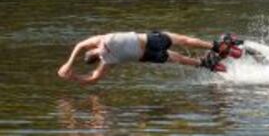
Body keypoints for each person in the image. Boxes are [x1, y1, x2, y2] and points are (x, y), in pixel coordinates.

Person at [57, 31, 242, 85]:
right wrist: (69, 62)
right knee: (184, 40)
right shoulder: (104, 40)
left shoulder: (108, 62)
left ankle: (205, 64)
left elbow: (93, 79)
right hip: (150, 40)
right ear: (94, 50)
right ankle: (217, 46)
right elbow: (80, 45)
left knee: (176, 58)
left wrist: (73, 77)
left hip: (148, 55)